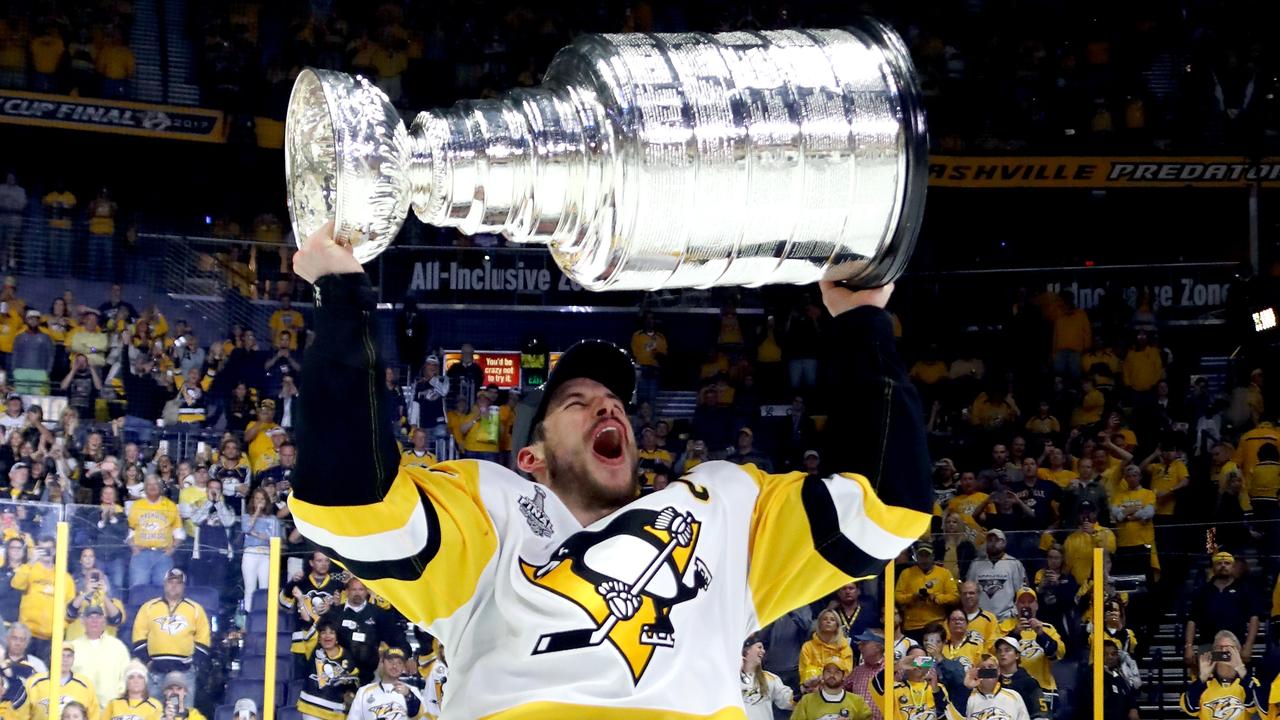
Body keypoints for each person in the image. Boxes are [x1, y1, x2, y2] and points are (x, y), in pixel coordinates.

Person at [287, 225, 932, 716]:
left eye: (616, 403)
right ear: (530, 458)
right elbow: (349, 500)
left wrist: (862, 321)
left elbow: (885, 504)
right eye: (577, 402)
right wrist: (343, 300)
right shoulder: (493, 515)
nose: (606, 407)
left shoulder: (720, 510)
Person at [131, 569, 209, 698]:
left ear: (184, 586)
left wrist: (194, 664)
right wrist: (148, 662)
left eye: (178, 583)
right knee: (154, 713)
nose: (174, 585)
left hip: (184, 672)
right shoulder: (149, 607)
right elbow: (138, 636)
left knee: (184, 713)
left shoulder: (195, 609)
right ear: (164, 584)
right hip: (154, 671)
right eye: (170, 582)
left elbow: (203, 639)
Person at [1185, 551, 1261, 667]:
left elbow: (1254, 618)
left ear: (1233, 567)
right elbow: (1192, 620)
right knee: (1207, 681)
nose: (1223, 566)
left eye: (1227, 563)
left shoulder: (1244, 590)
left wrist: (1248, 646)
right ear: (1213, 567)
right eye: (1219, 563)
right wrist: (1189, 646)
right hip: (1207, 647)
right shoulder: (1202, 591)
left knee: (1235, 681)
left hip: (1235, 647)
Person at [996, 589, 1063, 715]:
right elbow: (994, 654)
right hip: (1010, 687)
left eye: (1030, 602)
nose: (1026, 605)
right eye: (1022, 602)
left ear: (1036, 605)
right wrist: (1014, 634)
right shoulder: (1003, 627)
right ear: (1016, 606)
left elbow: (1057, 654)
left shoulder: (1047, 629)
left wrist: (1041, 634)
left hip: (1043, 688)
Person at [13, 537, 76, 660]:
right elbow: (17, 584)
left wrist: (61, 629)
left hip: (51, 638)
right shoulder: (29, 569)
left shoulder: (65, 577)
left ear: (54, 551)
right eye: (42, 549)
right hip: (27, 636)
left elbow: (70, 609)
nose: (46, 552)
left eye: (49, 549)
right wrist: (31, 561)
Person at [1180, 631, 1262, 720]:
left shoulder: (1249, 681)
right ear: (1214, 653)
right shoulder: (1202, 684)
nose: (1224, 651)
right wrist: (1202, 678)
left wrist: (1240, 669)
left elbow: (1254, 707)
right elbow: (1190, 708)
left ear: (1238, 653)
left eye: (1230, 648)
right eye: (1220, 648)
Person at [297, 620, 360, 720]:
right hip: (311, 709)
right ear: (319, 637)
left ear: (337, 637)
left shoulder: (347, 656)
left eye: (332, 632)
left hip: (336, 712)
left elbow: (354, 683)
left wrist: (349, 688)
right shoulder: (313, 647)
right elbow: (310, 624)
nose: (327, 636)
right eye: (323, 632)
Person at [69, 605, 131, 707]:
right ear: (82, 621)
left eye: (98, 617)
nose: (94, 621)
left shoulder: (118, 647)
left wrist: (119, 700)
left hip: (111, 708)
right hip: (81, 709)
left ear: (104, 621)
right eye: (90, 617)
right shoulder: (73, 647)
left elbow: (126, 676)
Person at [895, 543, 959, 641]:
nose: (924, 559)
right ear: (916, 556)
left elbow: (954, 597)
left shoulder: (944, 573)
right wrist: (913, 597)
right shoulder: (906, 573)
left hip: (936, 624)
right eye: (921, 555)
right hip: (912, 626)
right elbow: (897, 597)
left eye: (927, 555)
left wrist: (936, 598)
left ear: (933, 556)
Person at [868, 645, 950, 720]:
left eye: (922, 660)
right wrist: (897, 666)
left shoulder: (938, 688)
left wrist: (935, 690)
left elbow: (945, 715)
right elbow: (875, 685)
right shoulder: (895, 688)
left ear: (928, 663)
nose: (918, 664)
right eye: (913, 660)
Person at [346, 646, 425, 720]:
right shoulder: (364, 691)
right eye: (390, 661)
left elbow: (422, 717)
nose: (394, 666)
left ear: (403, 667)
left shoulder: (412, 691)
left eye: (399, 663)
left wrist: (409, 696)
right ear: (382, 663)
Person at [25, 643, 100, 720]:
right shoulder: (34, 682)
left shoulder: (85, 684)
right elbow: (22, 714)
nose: (65, 659)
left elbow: (94, 715)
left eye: (69, 656)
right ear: (51, 657)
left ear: (73, 659)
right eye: (61, 655)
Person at [965, 530, 1027, 620]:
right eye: (990, 540)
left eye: (997, 540)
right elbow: (969, 591)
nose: (993, 543)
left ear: (1004, 543)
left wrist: (1015, 612)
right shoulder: (976, 564)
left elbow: (1022, 592)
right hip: (981, 618)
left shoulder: (1014, 563)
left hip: (1007, 618)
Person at [240, 487, 281, 611]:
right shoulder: (246, 516)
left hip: (266, 555)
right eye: (257, 498)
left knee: (265, 588)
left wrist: (256, 534)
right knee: (250, 587)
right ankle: (248, 616)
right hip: (250, 553)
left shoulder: (273, 519)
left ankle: (264, 615)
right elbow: (246, 529)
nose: (259, 501)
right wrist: (257, 512)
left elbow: (275, 538)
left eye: (262, 499)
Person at [790, 657, 870, 720]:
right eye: (828, 671)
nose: (832, 675)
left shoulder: (857, 701)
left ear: (844, 676)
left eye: (837, 672)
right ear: (822, 675)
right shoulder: (806, 701)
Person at [799, 610, 856, 693]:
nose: (828, 621)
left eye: (832, 620)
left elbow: (846, 672)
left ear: (837, 625)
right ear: (819, 624)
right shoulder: (808, 646)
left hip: (837, 689)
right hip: (813, 690)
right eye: (825, 619)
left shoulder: (844, 646)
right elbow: (805, 672)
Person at [962, 655, 1030, 720]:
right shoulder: (968, 697)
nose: (987, 671)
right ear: (977, 673)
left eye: (991, 667)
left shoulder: (1014, 696)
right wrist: (966, 688)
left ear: (998, 671)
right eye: (983, 669)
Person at [741, 637, 794, 720]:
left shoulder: (770, 678)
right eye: (759, 647)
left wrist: (805, 691)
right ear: (747, 650)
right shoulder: (731, 679)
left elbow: (788, 701)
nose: (763, 651)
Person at [957, 582, 1000, 651]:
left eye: (971, 593)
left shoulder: (990, 618)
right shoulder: (953, 619)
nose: (968, 596)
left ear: (978, 594)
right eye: (964, 593)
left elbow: (992, 644)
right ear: (960, 596)